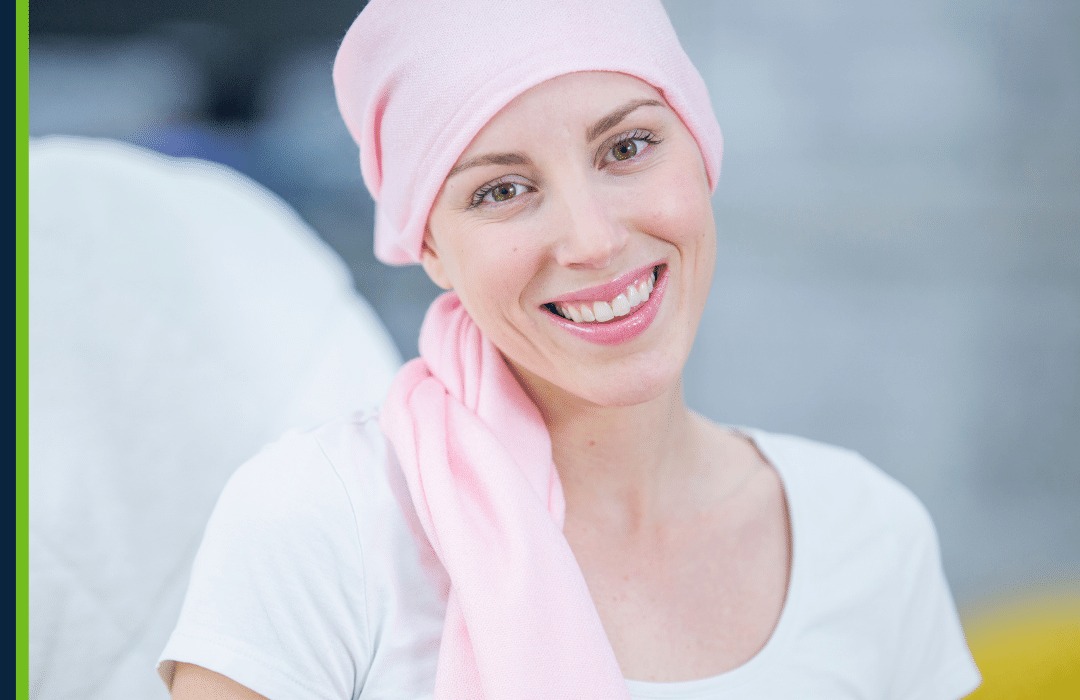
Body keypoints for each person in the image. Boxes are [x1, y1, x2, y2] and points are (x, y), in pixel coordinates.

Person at [159, 1, 982, 698]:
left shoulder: (866, 532)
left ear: (702, 148)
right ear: (431, 246)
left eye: (627, 147)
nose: (592, 240)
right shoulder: (323, 526)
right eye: (502, 190)